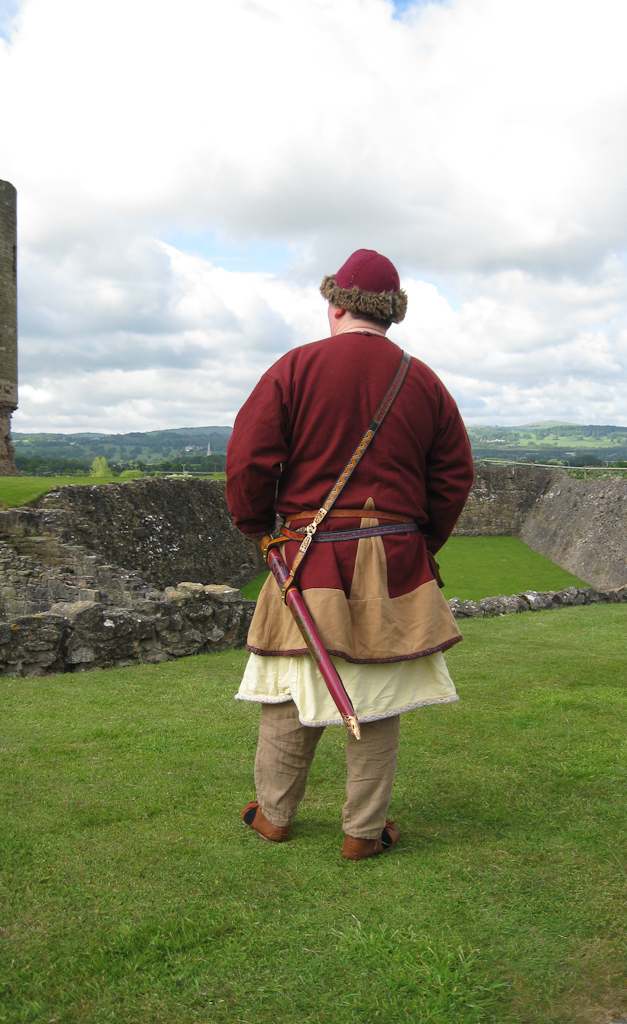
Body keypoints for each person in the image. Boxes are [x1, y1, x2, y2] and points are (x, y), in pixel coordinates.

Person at [226, 248, 474, 860]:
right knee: (379, 692)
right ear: (390, 314)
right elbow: (453, 477)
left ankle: (275, 815)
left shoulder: (296, 367)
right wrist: (418, 545)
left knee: (290, 680)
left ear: (334, 304)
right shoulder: (424, 381)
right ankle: (363, 832)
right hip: (396, 556)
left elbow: (249, 460)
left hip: (307, 555)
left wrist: (259, 528)